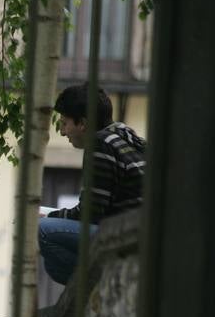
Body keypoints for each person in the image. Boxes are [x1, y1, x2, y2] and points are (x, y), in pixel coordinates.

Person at [39, 84, 147, 285]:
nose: (62, 132)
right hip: (135, 236)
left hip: (124, 239)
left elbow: (91, 212)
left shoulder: (101, 143)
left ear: (83, 123)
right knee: (52, 265)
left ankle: (103, 283)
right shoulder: (124, 137)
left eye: (64, 124)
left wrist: (51, 215)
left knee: (40, 229)